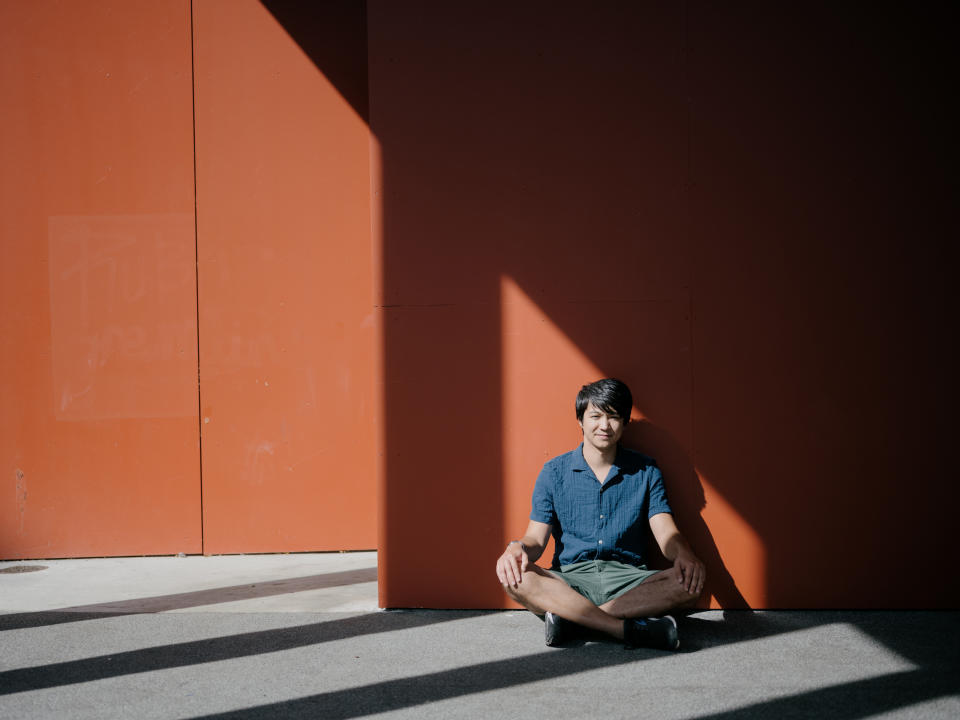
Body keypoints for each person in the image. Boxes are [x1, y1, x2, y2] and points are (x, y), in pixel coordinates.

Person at [495, 378, 705, 650]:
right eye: (595, 416)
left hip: (629, 579)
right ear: (580, 420)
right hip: (570, 579)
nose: (604, 426)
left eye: (614, 417)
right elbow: (535, 540)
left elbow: (666, 532)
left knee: (689, 583)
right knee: (516, 579)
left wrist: (684, 552)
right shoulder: (553, 472)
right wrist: (516, 548)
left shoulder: (646, 471)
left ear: (625, 422)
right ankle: (622, 629)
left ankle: (573, 620)